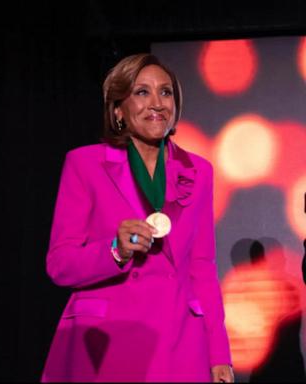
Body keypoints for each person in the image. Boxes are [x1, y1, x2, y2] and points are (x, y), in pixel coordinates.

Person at [41, 53, 234, 382]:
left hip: (180, 342)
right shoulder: (84, 164)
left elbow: (202, 267)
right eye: (142, 92)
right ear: (118, 110)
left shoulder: (198, 171)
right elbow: (60, 264)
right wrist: (115, 249)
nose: (157, 103)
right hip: (108, 341)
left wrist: (219, 354)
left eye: (166, 92)